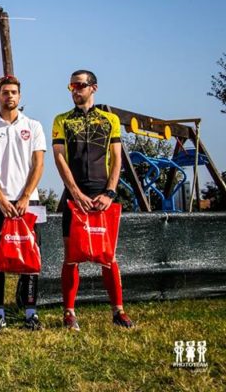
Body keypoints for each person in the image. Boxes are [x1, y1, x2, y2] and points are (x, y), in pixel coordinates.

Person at [52, 69, 134, 330]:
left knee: (109, 256)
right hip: (74, 194)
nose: (75, 90)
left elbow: (117, 157)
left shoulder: (110, 119)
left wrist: (110, 192)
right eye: (71, 86)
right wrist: (75, 193)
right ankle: (69, 313)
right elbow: (59, 157)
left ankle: (118, 311)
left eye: (80, 85)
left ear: (93, 88)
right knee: (71, 256)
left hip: (102, 193)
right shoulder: (61, 119)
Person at [0, 75, 46, 331]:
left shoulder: (33, 126)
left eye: (14, 92)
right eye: (5, 92)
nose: (10, 96)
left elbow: (38, 164)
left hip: (29, 201)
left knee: (30, 256)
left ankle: (30, 313)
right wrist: (1, 198)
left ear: (20, 96)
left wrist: (26, 196)